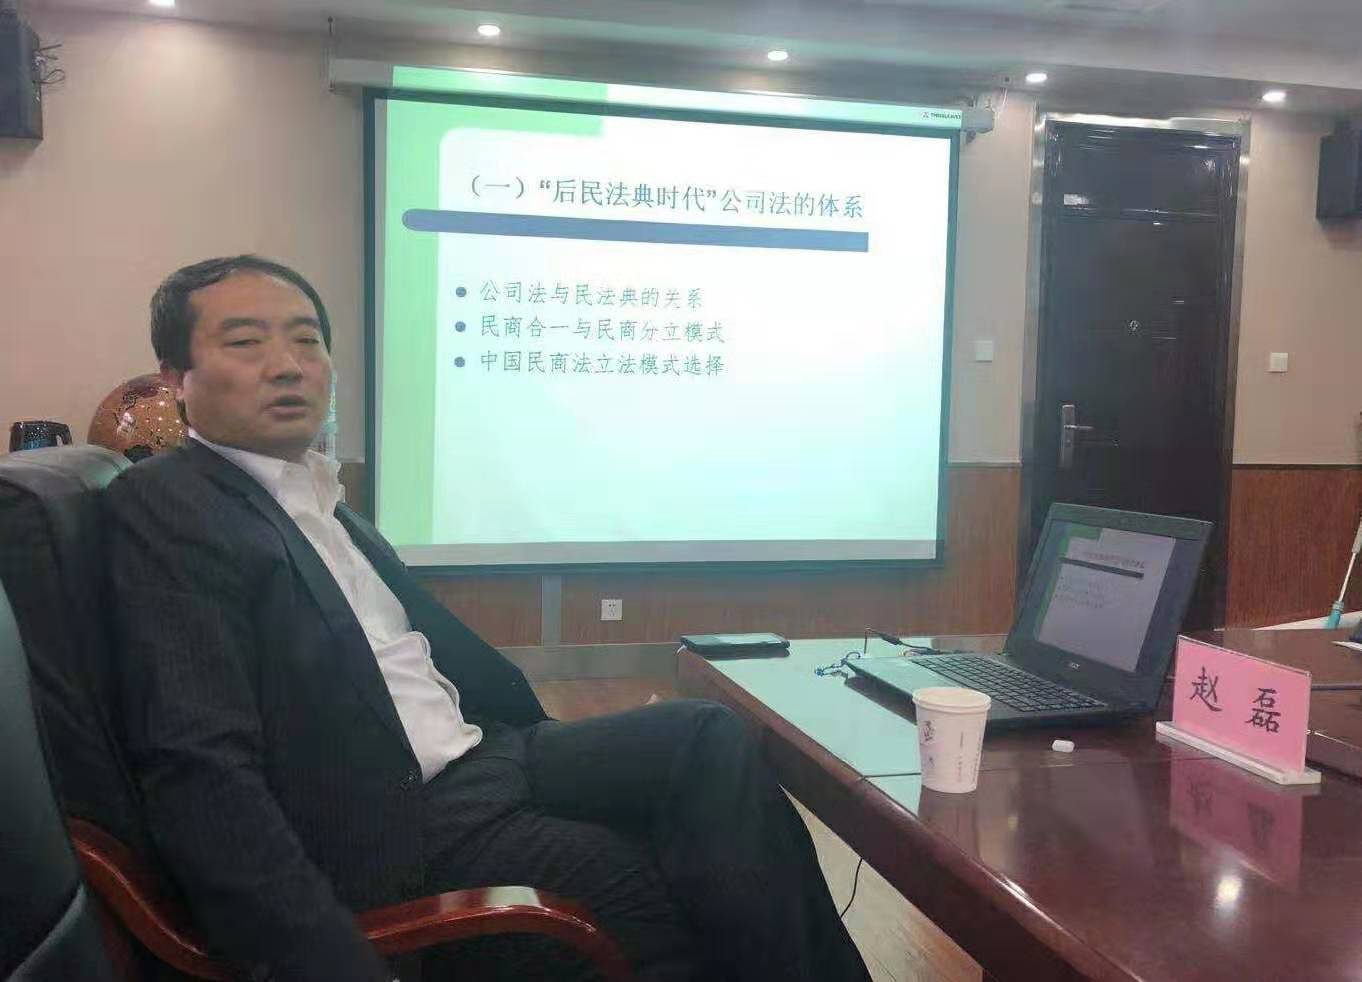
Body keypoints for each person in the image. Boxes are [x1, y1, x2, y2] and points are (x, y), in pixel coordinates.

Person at [104, 255, 871, 982]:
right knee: (668, 889)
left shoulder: (313, 495)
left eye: (307, 340)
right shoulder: (173, 505)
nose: (287, 365)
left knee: (706, 737)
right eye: (245, 343)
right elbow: (199, 767)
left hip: (486, 756)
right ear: (175, 378)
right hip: (401, 825)